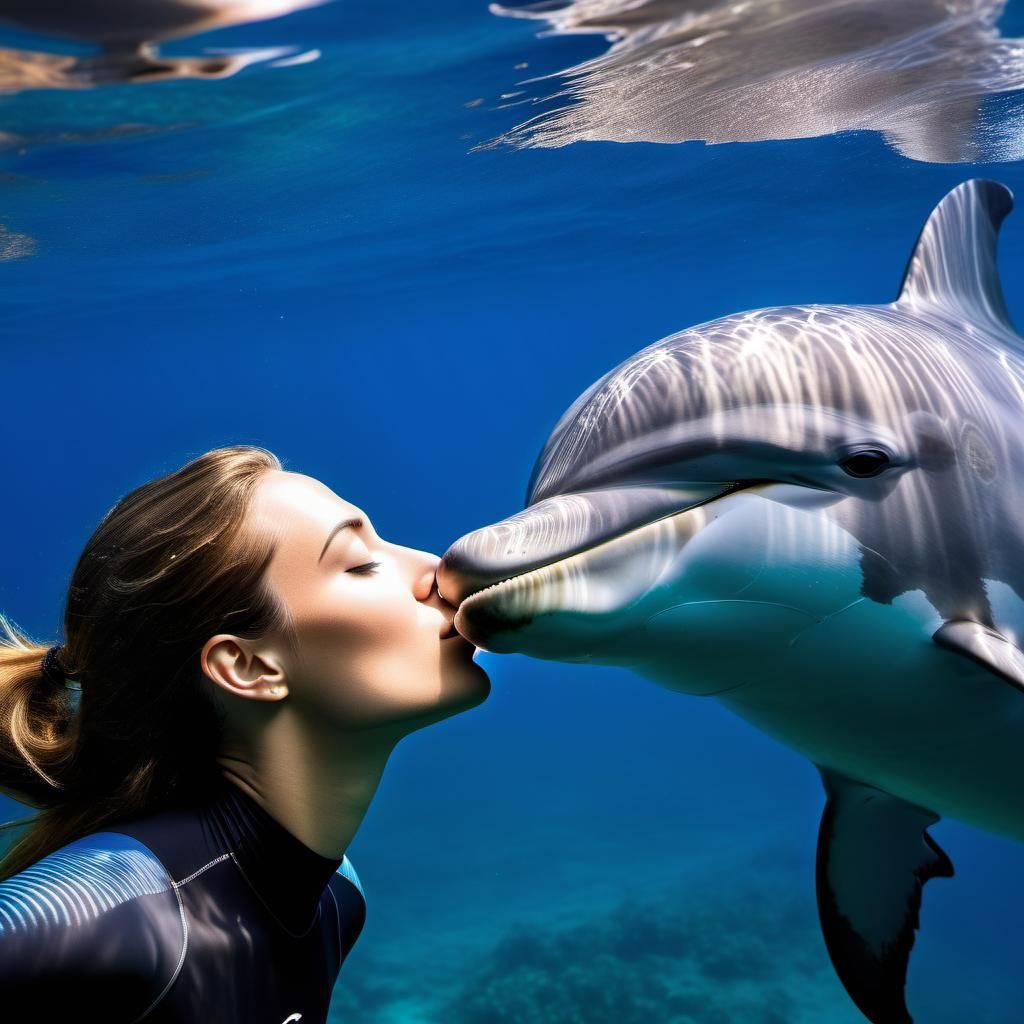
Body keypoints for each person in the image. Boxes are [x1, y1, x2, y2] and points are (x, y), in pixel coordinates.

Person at [0, 445, 490, 1022]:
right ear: (248, 667)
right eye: (360, 563)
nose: (436, 568)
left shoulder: (335, 897)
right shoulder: (107, 905)